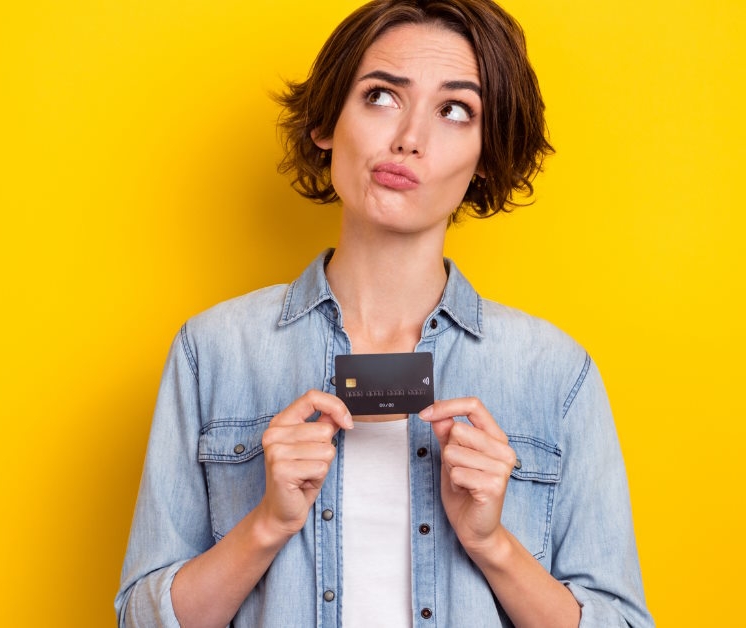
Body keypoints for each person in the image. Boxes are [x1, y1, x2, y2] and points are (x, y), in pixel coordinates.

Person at [115, 0, 653, 626]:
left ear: (484, 155)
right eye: (381, 96)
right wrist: (266, 525)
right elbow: (141, 620)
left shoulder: (557, 374)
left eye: (456, 110)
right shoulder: (212, 351)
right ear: (327, 122)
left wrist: (492, 543)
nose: (409, 138)